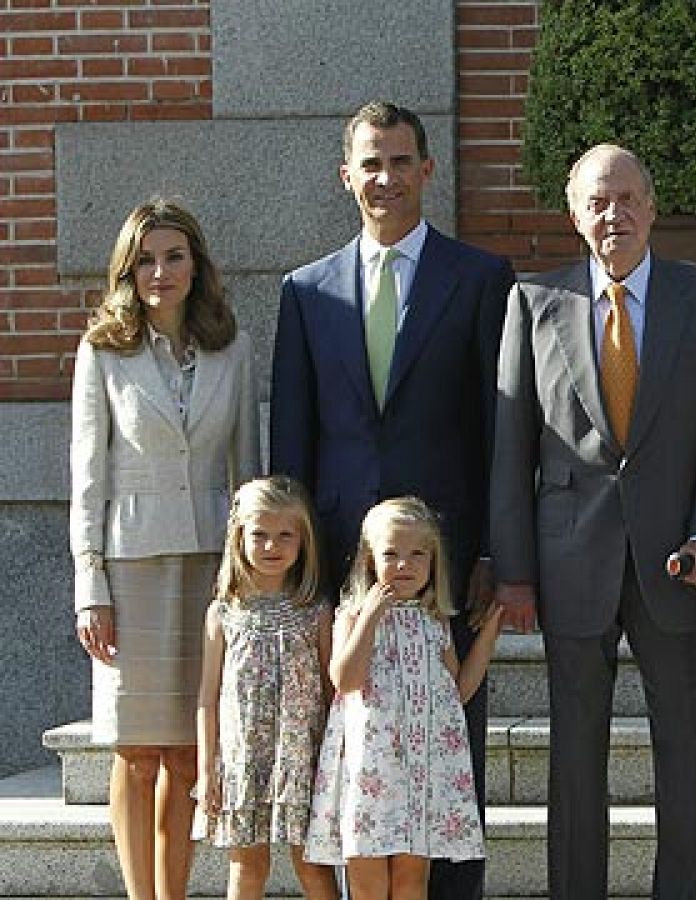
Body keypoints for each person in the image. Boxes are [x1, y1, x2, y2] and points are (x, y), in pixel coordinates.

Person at [490, 143, 696, 897]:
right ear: (575, 216)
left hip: (678, 560)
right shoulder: (533, 304)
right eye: (599, 202)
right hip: (572, 564)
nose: (616, 215)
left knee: (687, 755)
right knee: (574, 762)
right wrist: (514, 572)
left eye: (629, 198)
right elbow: (512, 449)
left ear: (653, 208)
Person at [270, 100, 514, 899]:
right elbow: (294, 444)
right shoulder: (305, 292)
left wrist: (488, 552)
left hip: (443, 564)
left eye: (401, 161)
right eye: (370, 163)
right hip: (341, 561)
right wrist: (297, 571)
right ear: (347, 176)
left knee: (448, 755)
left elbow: (496, 429)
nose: (386, 177)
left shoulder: (480, 280)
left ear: (427, 171)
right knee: (347, 754)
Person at [69, 198, 261, 900]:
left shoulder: (232, 348)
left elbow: (250, 469)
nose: (160, 271)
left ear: (196, 263)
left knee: (186, 752)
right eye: (146, 258)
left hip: (212, 569)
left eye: (173, 255)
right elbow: (86, 477)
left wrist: (251, 579)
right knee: (137, 750)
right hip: (130, 571)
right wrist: (89, 581)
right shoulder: (103, 351)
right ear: (128, 268)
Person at [303, 497, 505, 899]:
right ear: (369, 559)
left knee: (413, 878)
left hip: (421, 771)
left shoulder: (435, 619)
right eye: (391, 554)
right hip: (372, 772)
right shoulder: (352, 615)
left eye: (417, 555)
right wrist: (372, 616)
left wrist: (489, 634)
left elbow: (457, 691)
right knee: (368, 876)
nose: (404, 565)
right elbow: (345, 678)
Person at [193, 477, 338, 900]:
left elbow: (333, 695)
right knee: (247, 867)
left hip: (302, 758)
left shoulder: (316, 612)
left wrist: (336, 760)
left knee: (313, 864)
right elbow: (207, 697)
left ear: (303, 540)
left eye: (284, 535)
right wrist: (207, 770)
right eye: (260, 535)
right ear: (239, 538)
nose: (272, 546)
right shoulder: (222, 614)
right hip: (243, 761)